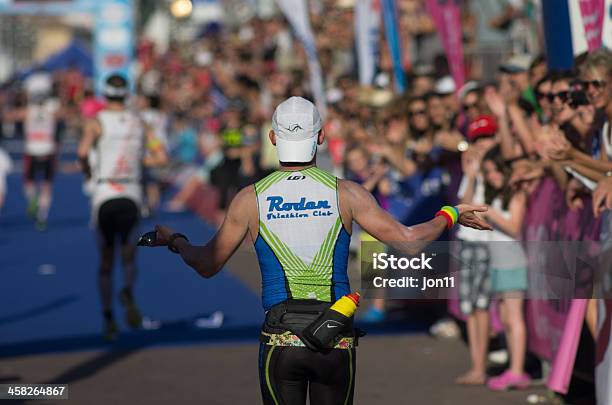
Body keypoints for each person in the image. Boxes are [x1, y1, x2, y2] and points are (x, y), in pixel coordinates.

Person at [147, 97, 491, 405]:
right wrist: (452, 213)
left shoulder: (249, 198)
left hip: (281, 343)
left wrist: (176, 241)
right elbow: (410, 240)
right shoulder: (347, 193)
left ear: (272, 139)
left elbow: (207, 264)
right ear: (321, 138)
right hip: (334, 339)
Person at [78, 74, 168, 341]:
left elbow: (83, 153)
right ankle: (127, 290)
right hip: (131, 191)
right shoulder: (140, 123)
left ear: (104, 95)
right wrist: (138, 164)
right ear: (126, 94)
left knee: (105, 260)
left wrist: (88, 171)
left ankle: (108, 319)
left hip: (105, 191)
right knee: (129, 255)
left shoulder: (95, 123)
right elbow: (161, 156)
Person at [3, 89, 63, 230]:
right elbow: (65, 114)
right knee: (47, 185)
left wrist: (8, 103)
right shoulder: (51, 113)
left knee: (28, 181)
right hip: (48, 150)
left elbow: (9, 116)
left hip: (32, 150)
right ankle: (42, 217)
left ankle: (32, 198)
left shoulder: (27, 112)